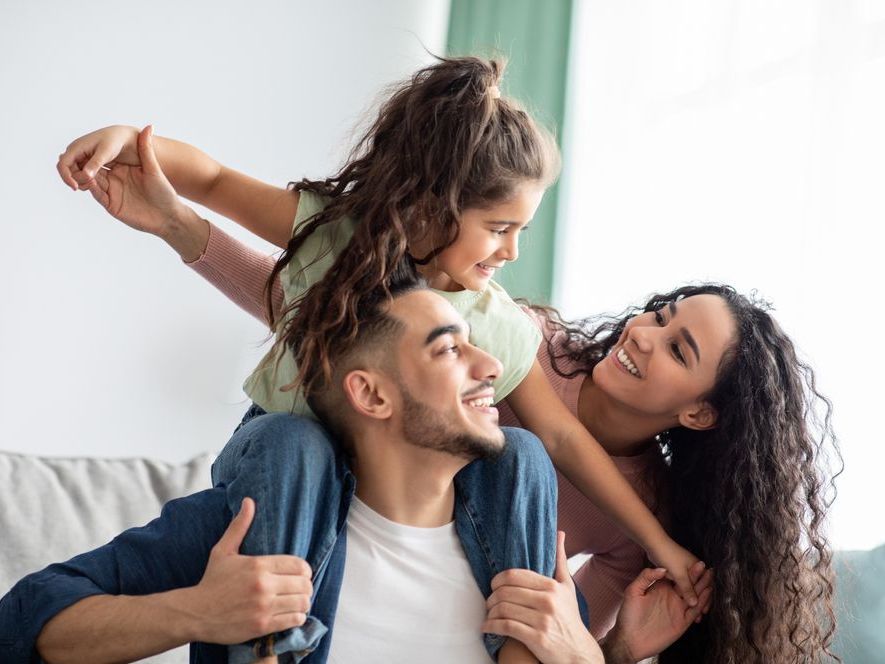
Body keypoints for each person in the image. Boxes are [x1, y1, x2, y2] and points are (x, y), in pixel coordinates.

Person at [57, 56, 707, 655]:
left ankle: (519, 647)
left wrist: (660, 546)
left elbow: (561, 437)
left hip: (399, 482)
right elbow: (216, 179)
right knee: (294, 442)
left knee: (523, 453)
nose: (510, 253)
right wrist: (128, 141)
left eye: (522, 232)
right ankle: (271, 646)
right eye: (499, 228)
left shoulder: (498, 326)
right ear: (433, 207)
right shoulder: (338, 236)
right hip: (285, 454)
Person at [0, 281, 713, 664]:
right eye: (447, 350)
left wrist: (601, 654)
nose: (493, 367)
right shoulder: (258, 531)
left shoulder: (528, 571)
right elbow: (24, 621)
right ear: (370, 394)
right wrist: (197, 614)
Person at [484, 285, 842, 663]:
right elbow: (558, 436)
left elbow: (560, 645)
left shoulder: (646, 515)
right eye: (659, 317)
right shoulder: (526, 341)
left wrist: (621, 649)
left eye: (676, 350)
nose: (641, 334)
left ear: (699, 414)